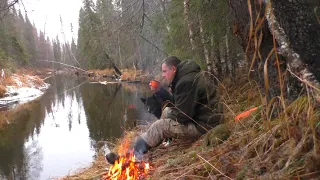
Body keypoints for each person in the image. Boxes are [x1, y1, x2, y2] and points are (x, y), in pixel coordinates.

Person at [106, 56, 223, 164]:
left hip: (204, 126)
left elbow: (184, 116)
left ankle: (129, 155)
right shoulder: (186, 76)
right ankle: (158, 140)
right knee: (167, 111)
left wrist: (166, 123)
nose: (163, 75)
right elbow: (179, 103)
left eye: (164, 71)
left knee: (160, 126)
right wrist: (160, 91)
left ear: (173, 69)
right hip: (203, 118)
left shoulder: (186, 81)